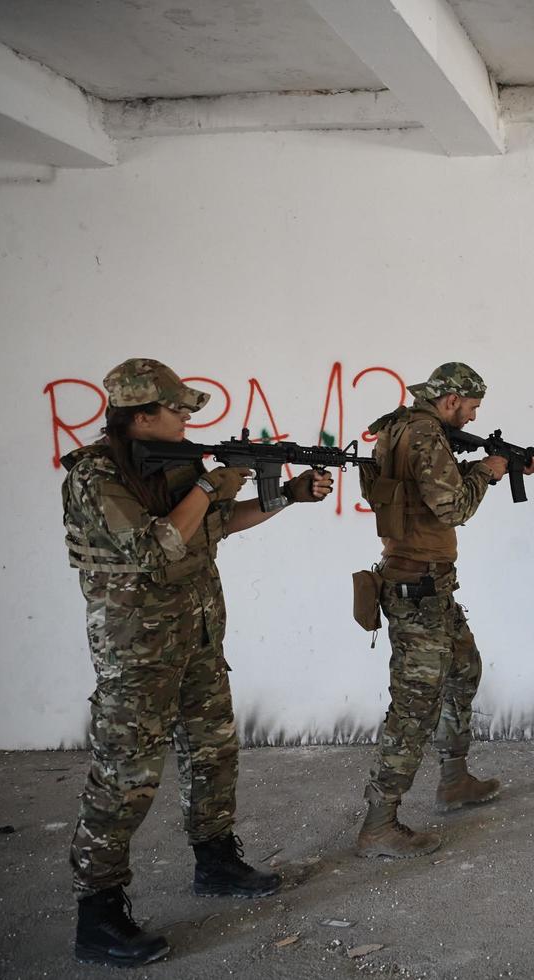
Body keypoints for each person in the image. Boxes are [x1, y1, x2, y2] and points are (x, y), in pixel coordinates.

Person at [62, 358, 332, 967]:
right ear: (140, 417)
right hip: (137, 651)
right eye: (177, 410)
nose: (188, 419)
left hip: (199, 636)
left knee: (213, 748)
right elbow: (156, 550)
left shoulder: (180, 464)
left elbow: (216, 528)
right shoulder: (94, 476)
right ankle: (98, 913)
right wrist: (212, 485)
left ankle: (216, 861)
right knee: (126, 775)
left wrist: (284, 496)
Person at [355, 362, 534, 859]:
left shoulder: (400, 426)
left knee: (463, 670)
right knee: (414, 708)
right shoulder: (425, 434)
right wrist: (488, 471)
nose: (474, 414)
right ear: (450, 400)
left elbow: (425, 490)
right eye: (472, 406)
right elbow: (453, 508)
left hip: (429, 586)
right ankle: (379, 824)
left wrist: (497, 468)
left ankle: (454, 780)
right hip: (415, 588)